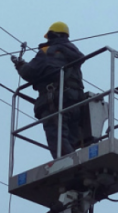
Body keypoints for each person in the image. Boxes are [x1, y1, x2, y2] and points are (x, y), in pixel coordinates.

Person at [12, 21, 85, 159]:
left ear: (52, 35)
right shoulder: (73, 52)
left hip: (56, 100)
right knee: (71, 138)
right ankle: (75, 161)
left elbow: (30, 72)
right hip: (76, 101)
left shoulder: (47, 51)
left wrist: (20, 65)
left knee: (56, 136)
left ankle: (70, 164)